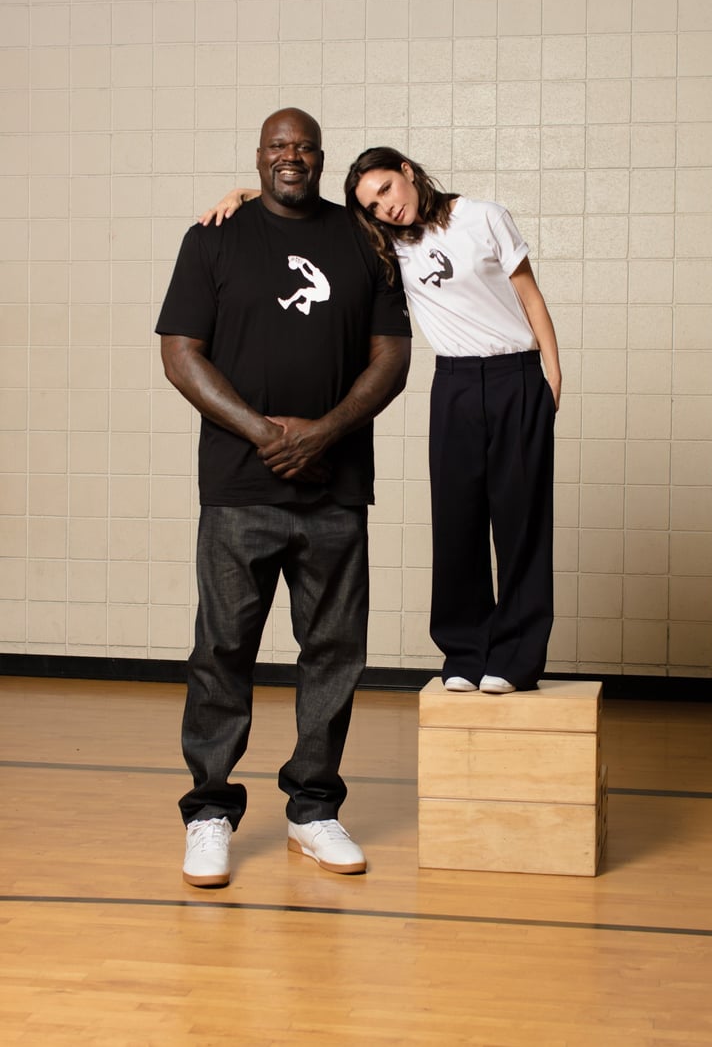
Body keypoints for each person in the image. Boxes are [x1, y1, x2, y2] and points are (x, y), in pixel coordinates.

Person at [157, 110, 412, 887]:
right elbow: (178, 353)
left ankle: (312, 809)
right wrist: (266, 434)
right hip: (238, 491)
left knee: (333, 654)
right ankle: (208, 813)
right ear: (259, 157)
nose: (290, 156)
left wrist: (321, 435)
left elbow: (392, 357)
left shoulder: (362, 239)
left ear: (320, 157)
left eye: (303, 146)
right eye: (278, 146)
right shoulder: (214, 238)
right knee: (222, 651)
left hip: (336, 491)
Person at [204, 147, 560, 697]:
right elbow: (310, 210)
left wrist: (551, 379)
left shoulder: (484, 215)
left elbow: (531, 299)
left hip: (516, 375)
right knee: (457, 521)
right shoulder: (386, 241)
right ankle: (465, 653)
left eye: (388, 190)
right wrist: (243, 194)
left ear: (409, 174)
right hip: (456, 385)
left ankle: (517, 659)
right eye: (373, 204)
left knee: (521, 523)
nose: (386, 207)